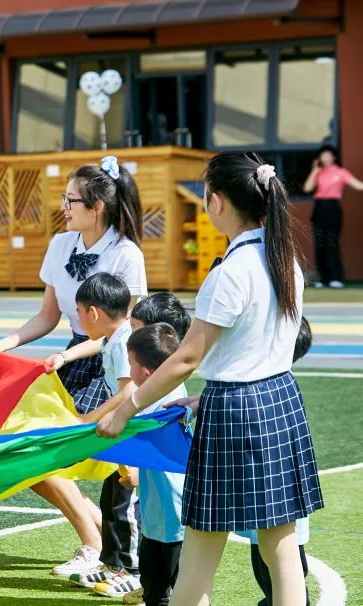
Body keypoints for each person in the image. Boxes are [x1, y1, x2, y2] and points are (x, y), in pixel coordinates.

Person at [97, 152, 323, 606]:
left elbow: (186, 358)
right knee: (280, 546)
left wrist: (125, 410)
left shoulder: (230, 272)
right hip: (279, 400)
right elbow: (259, 349)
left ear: (216, 201)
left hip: (235, 411)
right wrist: (204, 399)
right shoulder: (286, 262)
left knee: (201, 544)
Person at [0, 155, 146, 577]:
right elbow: (47, 317)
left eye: (71, 201)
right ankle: (96, 534)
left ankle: (100, 546)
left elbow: (120, 331)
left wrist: (69, 355)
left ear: (96, 207)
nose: (63, 208)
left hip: (111, 361)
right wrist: (0, 346)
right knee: (24, 446)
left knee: (89, 460)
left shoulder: (126, 254)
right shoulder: (60, 245)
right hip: (71, 355)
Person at [54, 273, 140, 597]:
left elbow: (128, 390)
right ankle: (112, 565)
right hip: (122, 433)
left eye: (78, 313)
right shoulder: (113, 337)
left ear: (93, 313)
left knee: (125, 507)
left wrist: (89, 418)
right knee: (112, 501)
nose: (78, 320)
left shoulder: (123, 341)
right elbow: (96, 346)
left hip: (132, 434)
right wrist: (64, 356)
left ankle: (133, 572)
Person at [239, 316, 314, 606]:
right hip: (269, 515)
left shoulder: (271, 394)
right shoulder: (280, 389)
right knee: (274, 574)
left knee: (281, 576)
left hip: (277, 515)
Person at [121, 323, 190, 606]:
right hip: (155, 512)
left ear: (146, 372)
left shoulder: (166, 401)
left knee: (180, 584)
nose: (129, 370)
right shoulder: (159, 392)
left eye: (130, 363)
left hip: (174, 512)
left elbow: (150, 439)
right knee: (153, 584)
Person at [302, 144, 362, 288]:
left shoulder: (341, 172)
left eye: (328, 155)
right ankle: (323, 279)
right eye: (323, 155)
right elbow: (307, 188)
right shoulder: (318, 172)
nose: (326, 158)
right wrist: (314, 170)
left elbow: (359, 185)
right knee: (320, 244)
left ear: (334, 157)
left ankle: (336, 278)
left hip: (332, 208)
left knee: (331, 243)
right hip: (319, 208)